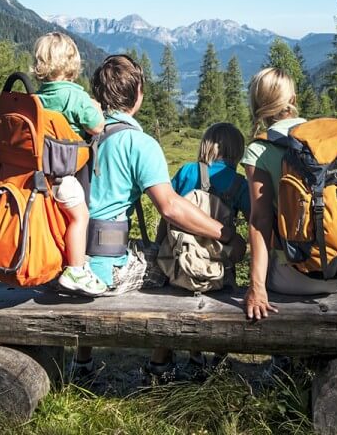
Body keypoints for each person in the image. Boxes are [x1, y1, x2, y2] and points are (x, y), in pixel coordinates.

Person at [71, 55, 235, 378]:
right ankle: (160, 367)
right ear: (138, 94)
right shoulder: (139, 143)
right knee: (169, 266)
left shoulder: (79, 133)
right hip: (105, 273)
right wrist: (224, 233)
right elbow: (170, 207)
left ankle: (82, 363)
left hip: (68, 262)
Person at [241, 67, 337, 322]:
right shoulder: (324, 140)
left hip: (295, 279)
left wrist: (256, 288)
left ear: (258, 104)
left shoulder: (258, 150)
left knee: (273, 267)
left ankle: (281, 360)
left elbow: (260, 221)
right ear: (293, 100)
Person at [147, 122, 250, 380]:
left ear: (207, 145)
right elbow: (255, 221)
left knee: (171, 306)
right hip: (217, 265)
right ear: (237, 151)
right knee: (220, 307)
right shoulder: (239, 183)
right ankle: (215, 364)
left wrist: (159, 247)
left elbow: (167, 213)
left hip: (179, 260)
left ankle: (160, 365)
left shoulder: (186, 172)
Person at [33, 32, 107, 297]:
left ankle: (58, 265)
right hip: (65, 176)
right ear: (72, 62)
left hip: (40, 178)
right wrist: (96, 108)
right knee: (80, 217)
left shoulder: (37, 99)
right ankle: (76, 270)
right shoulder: (76, 97)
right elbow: (97, 126)